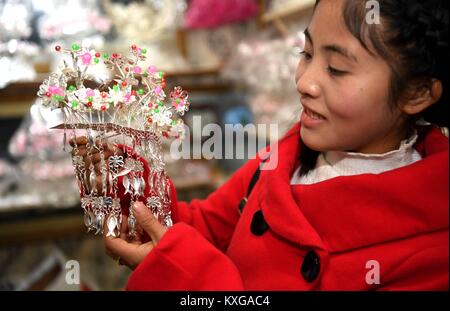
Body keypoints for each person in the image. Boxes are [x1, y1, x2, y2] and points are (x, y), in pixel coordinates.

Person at [72, 0, 449, 290]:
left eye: (336, 69)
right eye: (307, 53)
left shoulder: (431, 253)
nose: (305, 81)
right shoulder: (285, 157)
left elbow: (193, 261)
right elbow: (206, 226)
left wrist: (188, 276)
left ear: (416, 93)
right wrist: (134, 187)